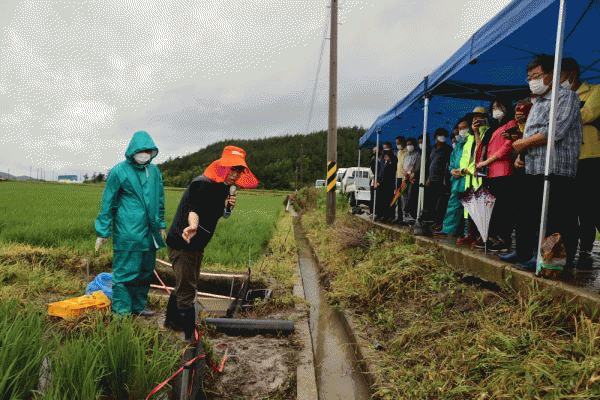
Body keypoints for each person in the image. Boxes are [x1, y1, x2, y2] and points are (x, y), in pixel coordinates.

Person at [164, 146, 258, 339]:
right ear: (222, 166)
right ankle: (190, 339)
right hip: (184, 243)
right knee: (187, 292)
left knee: (185, 285)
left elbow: (215, 213)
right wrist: (193, 226)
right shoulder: (203, 184)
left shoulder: (223, 188)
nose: (235, 174)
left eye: (239, 171)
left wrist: (226, 208)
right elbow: (194, 210)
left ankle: (171, 324)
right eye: (232, 169)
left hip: (196, 245)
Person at [512, 54, 583, 272]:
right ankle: (529, 253)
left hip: (557, 167)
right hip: (534, 166)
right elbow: (531, 132)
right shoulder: (537, 102)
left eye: (537, 76)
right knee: (531, 214)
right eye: (529, 78)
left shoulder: (566, 97)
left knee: (557, 216)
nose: (532, 81)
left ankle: (556, 261)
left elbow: (555, 131)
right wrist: (521, 154)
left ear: (552, 74)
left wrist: (523, 144)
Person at [95, 131, 166, 316]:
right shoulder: (119, 171)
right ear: (133, 150)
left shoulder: (154, 172)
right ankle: (122, 313)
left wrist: (161, 224)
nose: (144, 154)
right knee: (125, 274)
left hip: (150, 233)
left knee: (145, 272)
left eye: (148, 151)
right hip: (128, 232)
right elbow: (108, 202)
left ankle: (138, 307)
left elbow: (159, 199)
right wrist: (103, 231)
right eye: (141, 150)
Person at [561, 57, 600, 269]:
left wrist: (562, 119)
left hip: (590, 157)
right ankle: (569, 251)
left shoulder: (595, 90)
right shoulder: (560, 97)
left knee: (589, 207)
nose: (558, 80)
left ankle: (586, 250)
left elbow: (588, 114)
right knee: (570, 207)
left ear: (572, 74)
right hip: (566, 160)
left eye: (561, 75)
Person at [474, 98, 515, 251]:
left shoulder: (510, 124)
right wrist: (476, 131)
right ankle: (494, 237)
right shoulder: (493, 128)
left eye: (499, 106)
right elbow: (481, 147)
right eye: (494, 107)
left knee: (504, 207)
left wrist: (486, 161)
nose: (495, 110)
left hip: (503, 170)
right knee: (494, 208)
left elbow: (507, 147)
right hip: (490, 173)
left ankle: (504, 239)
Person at [440, 118, 470, 237]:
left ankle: (467, 234)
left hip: (468, 180)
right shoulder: (458, 146)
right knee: (453, 206)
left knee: (468, 209)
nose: (462, 130)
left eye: (464, 128)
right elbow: (452, 162)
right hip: (457, 181)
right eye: (460, 128)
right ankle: (448, 230)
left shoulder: (472, 143)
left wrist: (463, 171)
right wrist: (452, 170)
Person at [426, 128, 452, 230]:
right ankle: (433, 221)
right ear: (436, 137)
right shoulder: (433, 149)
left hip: (442, 180)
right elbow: (430, 164)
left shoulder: (448, 149)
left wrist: (445, 180)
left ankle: (439, 223)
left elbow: (448, 165)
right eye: (440, 135)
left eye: (444, 135)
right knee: (432, 202)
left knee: (441, 203)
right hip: (432, 179)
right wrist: (428, 178)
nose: (442, 137)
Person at [401, 137, 420, 221]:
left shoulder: (417, 155)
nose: (409, 146)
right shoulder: (406, 155)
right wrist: (405, 174)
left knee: (411, 196)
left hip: (412, 179)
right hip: (405, 178)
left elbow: (417, 167)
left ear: (414, 145)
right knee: (404, 197)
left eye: (411, 144)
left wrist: (412, 174)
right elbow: (403, 166)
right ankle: (405, 214)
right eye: (408, 144)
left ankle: (411, 214)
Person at [394, 136, 407, 223]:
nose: (398, 145)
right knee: (397, 197)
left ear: (403, 143)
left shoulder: (407, 152)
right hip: (398, 177)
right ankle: (398, 216)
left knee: (404, 198)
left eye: (399, 143)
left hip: (404, 178)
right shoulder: (398, 152)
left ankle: (404, 217)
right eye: (396, 143)